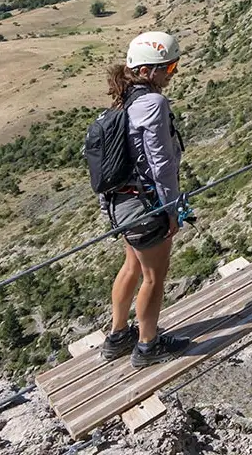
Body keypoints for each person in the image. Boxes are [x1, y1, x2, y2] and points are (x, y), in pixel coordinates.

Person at [99, 31, 192, 368]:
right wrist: (171, 209)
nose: (173, 74)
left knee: (132, 266)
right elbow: (161, 163)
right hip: (146, 204)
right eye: (169, 68)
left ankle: (117, 336)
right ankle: (148, 345)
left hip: (122, 206)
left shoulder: (122, 103)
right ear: (148, 71)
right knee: (153, 277)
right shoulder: (152, 103)